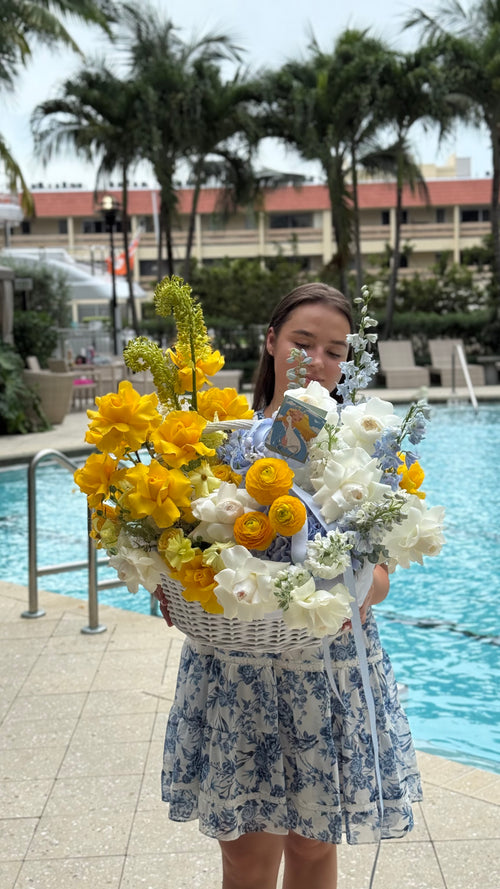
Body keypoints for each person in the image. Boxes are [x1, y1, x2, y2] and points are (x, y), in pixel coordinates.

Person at [159, 282, 422, 889]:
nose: (317, 361)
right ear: (272, 341)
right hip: (237, 673)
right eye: (303, 343)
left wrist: (347, 587)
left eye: (335, 350)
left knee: (311, 850)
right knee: (247, 857)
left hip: (326, 673)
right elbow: (184, 547)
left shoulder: (369, 447)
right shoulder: (219, 442)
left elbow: (378, 578)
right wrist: (176, 582)